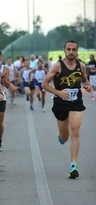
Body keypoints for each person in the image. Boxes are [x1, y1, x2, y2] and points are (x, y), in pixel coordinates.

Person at [41, 40, 91, 179]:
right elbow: (44, 84)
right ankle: (61, 135)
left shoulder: (81, 66)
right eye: (68, 49)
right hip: (60, 103)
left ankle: (73, 165)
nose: (71, 52)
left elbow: (85, 81)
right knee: (65, 136)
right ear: (64, 50)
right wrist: (59, 92)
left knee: (75, 129)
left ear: (77, 51)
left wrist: (88, 87)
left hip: (76, 102)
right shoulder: (58, 66)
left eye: (73, 50)